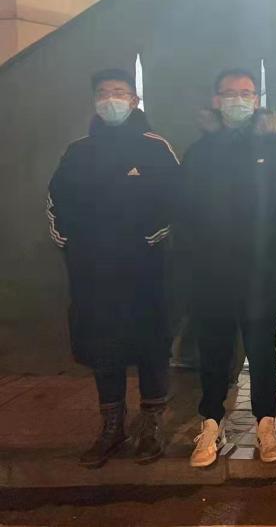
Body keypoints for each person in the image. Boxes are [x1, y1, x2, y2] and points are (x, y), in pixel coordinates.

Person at [47, 69, 179, 468]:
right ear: (94, 101)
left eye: (119, 92)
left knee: (151, 345)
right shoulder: (77, 151)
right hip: (92, 274)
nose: (111, 100)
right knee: (102, 347)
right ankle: (112, 425)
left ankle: (151, 423)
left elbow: (175, 200)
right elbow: (55, 202)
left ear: (134, 100)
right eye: (103, 93)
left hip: (144, 273)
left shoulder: (155, 147)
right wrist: (71, 244)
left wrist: (148, 240)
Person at [179, 68, 276, 468]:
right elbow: (184, 210)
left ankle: (266, 424)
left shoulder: (275, 149)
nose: (239, 100)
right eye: (230, 93)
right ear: (216, 100)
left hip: (260, 274)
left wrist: (274, 247)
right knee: (214, 354)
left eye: (247, 93)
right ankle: (210, 424)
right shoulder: (199, 152)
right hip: (212, 274)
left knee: (263, 353)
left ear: (256, 100)